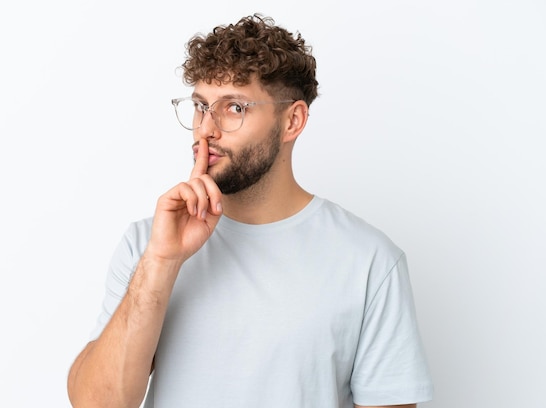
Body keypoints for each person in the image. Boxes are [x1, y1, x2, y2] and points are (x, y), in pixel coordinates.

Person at [67, 14, 433, 408]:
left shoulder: (369, 261)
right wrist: (161, 261)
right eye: (200, 107)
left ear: (292, 120)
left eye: (234, 108)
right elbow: (97, 403)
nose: (206, 129)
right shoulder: (150, 243)